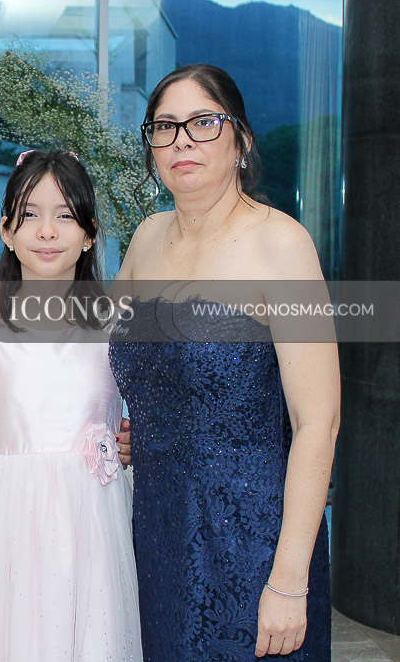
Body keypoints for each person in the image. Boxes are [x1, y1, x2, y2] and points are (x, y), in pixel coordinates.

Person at [107, 64, 337, 660]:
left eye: (203, 122)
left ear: (242, 140)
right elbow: (90, 340)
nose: (182, 140)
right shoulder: (147, 238)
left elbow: (318, 423)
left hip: (254, 540)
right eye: (165, 126)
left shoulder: (280, 243)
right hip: (158, 528)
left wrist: (288, 580)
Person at [0, 151, 142, 661]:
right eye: (30, 215)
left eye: (65, 215)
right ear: (6, 231)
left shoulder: (119, 324)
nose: (47, 231)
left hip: (91, 530)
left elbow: (148, 417)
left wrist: (132, 441)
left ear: (90, 233)